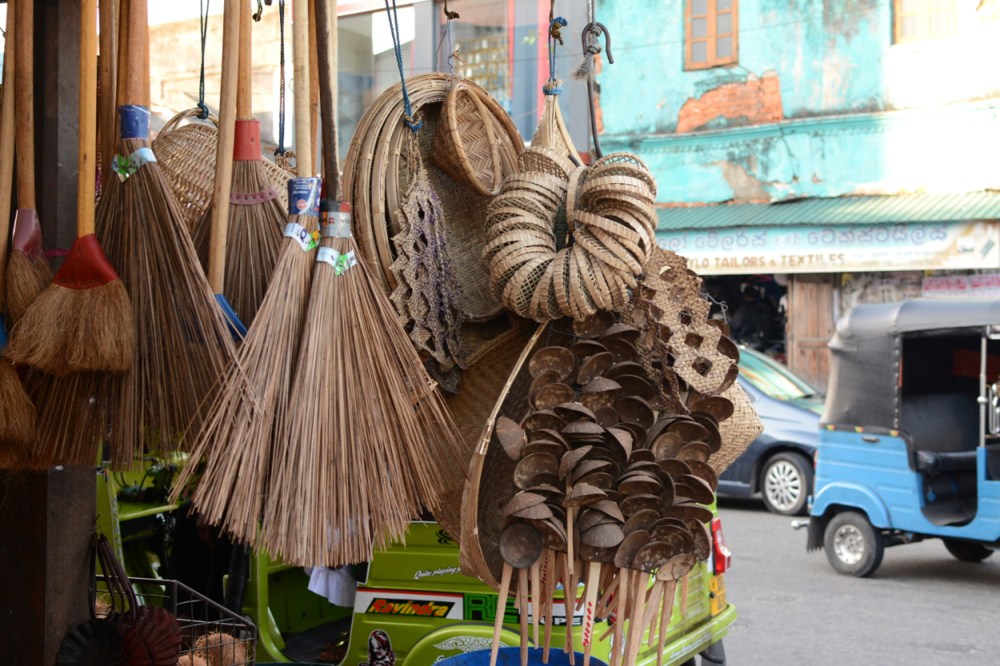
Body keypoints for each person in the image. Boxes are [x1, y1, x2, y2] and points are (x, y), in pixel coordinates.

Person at [729, 285, 773, 350]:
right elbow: (771, 325)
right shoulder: (764, 308)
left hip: (747, 344)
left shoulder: (743, 309)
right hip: (764, 342)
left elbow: (735, 325)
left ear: (744, 296)